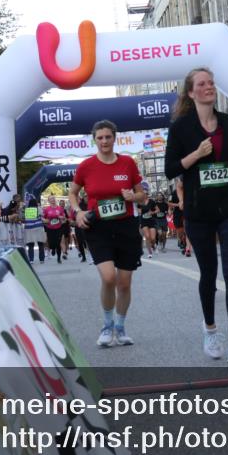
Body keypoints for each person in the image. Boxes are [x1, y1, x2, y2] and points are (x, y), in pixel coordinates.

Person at [165, 67, 228, 364]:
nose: (209, 87)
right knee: (209, 273)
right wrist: (196, 155)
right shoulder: (181, 128)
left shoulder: (227, 122)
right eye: (202, 84)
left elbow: (225, 160)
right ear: (191, 92)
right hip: (198, 211)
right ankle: (211, 328)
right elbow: (171, 169)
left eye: (212, 83)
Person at [69, 120, 146, 348]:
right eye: (100, 138)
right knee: (109, 277)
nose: (104, 141)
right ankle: (106, 325)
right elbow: (73, 193)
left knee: (124, 282)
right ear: (95, 140)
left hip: (126, 227)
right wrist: (78, 211)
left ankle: (120, 328)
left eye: (108, 137)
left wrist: (134, 197)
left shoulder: (127, 163)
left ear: (115, 138)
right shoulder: (86, 166)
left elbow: (142, 194)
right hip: (98, 228)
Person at [169, 179, 190, 256]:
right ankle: (181, 240)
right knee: (180, 232)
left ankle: (187, 249)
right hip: (177, 213)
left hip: (187, 213)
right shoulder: (173, 193)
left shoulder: (189, 190)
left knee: (187, 231)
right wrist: (178, 205)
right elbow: (169, 203)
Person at [42, 195, 66, 264]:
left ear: (55, 200)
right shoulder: (46, 209)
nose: (52, 200)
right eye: (51, 199)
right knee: (51, 243)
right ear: (49, 201)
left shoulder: (60, 208)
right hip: (50, 228)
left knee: (58, 243)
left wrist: (61, 217)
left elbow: (64, 217)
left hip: (58, 228)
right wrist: (46, 220)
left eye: (53, 198)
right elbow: (42, 218)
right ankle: (53, 248)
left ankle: (59, 258)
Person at [23, 196, 46, 264]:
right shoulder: (38, 208)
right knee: (40, 244)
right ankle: (41, 259)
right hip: (38, 227)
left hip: (29, 228)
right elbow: (42, 214)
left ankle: (31, 259)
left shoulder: (26, 210)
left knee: (30, 245)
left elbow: (23, 218)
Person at [137, 187, 157, 258]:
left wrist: (152, 212)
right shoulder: (140, 202)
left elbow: (157, 210)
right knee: (147, 236)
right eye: (143, 194)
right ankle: (150, 252)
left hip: (151, 221)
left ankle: (153, 245)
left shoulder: (152, 201)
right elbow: (138, 211)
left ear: (147, 194)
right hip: (144, 221)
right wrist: (141, 211)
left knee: (153, 238)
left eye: (146, 193)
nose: (145, 195)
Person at [74, 194, 90, 262]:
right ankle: (83, 257)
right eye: (85, 196)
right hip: (79, 226)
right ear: (83, 197)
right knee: (80, 242)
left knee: (88, 241)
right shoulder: (79, 205)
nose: (87, 197)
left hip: (89, 226)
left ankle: (91, 256)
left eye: (88, 196)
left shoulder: (92, 203)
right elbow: (73, 216)